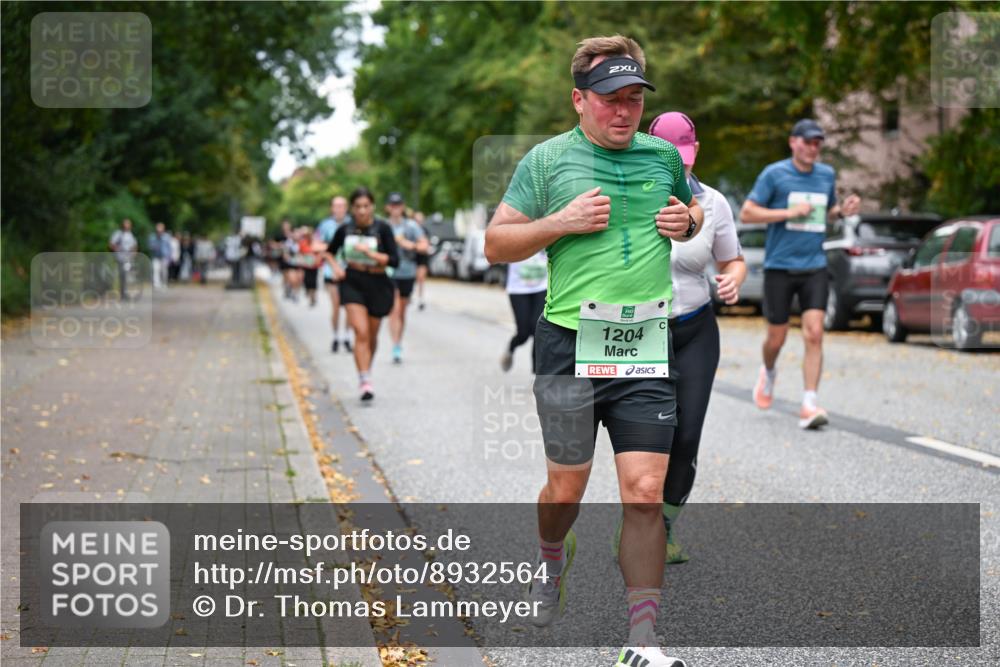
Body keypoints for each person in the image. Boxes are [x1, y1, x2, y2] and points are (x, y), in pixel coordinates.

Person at [484, 35, 703, 667]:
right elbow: (497, 244)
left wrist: (686, 223)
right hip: (567, 344)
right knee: (565, 491)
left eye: (634, 99)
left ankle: (641, 642)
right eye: (610, 99)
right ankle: (553, 557)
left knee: (642, 489)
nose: (624, 112)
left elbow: (693, 207)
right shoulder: (547, 162)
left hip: (642, 344)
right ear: (579, 99)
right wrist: (560, 223)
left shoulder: (663, 156)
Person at [645, 111, 747, 563]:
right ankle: (638, 524)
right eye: (671, 158)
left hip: (695, 329)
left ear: (695, 152)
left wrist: (733, 279)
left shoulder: (716, 204)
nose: (680, 168)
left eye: (684, 158)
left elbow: (733, 260)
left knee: (686, 436)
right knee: (648, 438)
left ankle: (663, 526)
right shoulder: (629, 196)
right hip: (640, 332)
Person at [740, 118, 861, 429]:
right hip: (779, 267)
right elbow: (748, 212)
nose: (813, 148)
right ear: (793, 142)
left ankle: (809, 402)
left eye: (818, 143)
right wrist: (787, 213)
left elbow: (828, 210)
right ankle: (768, 372)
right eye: (807, 142)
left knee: (815, 333)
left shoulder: (825, 175)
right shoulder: (774, 174)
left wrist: (841, 211)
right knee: (776, 338)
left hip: (814, 266)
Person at [325, 187, 400, 402]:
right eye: (357, 207)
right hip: (352, 282)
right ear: (352, 208)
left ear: (372, 207)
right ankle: (364, 380)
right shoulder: (345, 230)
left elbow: (394, 260)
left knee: (372, 336)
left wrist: (371, 254)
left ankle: (367, 368)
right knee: (361, 331)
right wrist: (336, 268)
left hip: (378, 283)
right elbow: (329, 252)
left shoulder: (383, 228)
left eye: (366, 206)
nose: (362, 211)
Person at [385, 192, 428, 363]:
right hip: (388, 273)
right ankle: (395, 345)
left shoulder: (411, 226)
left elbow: (424, 246)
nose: (395, 208)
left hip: (407, 272)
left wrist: (406, 244)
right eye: (392, 205)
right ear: (388, 207)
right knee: (393, 310)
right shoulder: (384, 225)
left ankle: (398, 343)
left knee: (401, 312)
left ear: (402, 207)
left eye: (398, 205)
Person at [500, 250, 547, 373]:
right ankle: (510, 348)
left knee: (538, 329)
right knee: (523, 333)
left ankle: (536, 374)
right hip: (518, 288)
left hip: (542, 286)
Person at [317, 197, 352, 352]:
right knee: (336, 305)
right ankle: (336, 336)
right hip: (331, 271)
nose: (339, 209)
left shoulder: (352, 224)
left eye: (342, 206)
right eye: (336, 206)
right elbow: (316, 244)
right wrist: (330, 247)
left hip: (350, 270)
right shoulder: (326, 225)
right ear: (332, 208)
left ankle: (347, 336)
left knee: (351, 306)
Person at [109, 218, 138, 300]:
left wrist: (134, 253)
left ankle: (126, 293)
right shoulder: (118, 234)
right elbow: (111, 244)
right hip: (120, 258)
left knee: (128, 276)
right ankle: (122, 294)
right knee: (122, 276)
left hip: (129, 258)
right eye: (126, 224)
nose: (127, 226)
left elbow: (134, 245)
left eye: (128, 224)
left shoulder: (131, 234)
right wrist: (117, 250)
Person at [297, 226, 320, 307]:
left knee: (313, 282)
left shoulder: (316, 242)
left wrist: (317, 259)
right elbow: (300, 254)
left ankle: (313, 297)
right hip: (306, 266)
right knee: (307, 281)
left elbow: (319, 253)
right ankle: (310, 296)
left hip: (314, 266)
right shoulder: (303, 243)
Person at [413, 211, 430, 310]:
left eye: (420, 220)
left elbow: (426, 246)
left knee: (421, 278)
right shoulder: (410, 229)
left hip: (422, 257)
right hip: (412, 257)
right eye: (416, 220)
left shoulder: (425, 231)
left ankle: (420, 298)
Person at [147, 223, 171, 290]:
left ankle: (164, 284)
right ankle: (156, 285)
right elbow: (150, 246)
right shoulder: (152, 237)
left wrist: (169, 256)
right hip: (155, 256)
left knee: (164, 271)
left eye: (161, 230)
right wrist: (154, 246)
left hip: (164, 256)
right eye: (158, 230)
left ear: (163, 230)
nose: (159, 232)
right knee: (155, 270)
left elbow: (169, 247)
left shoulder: (167, 237)